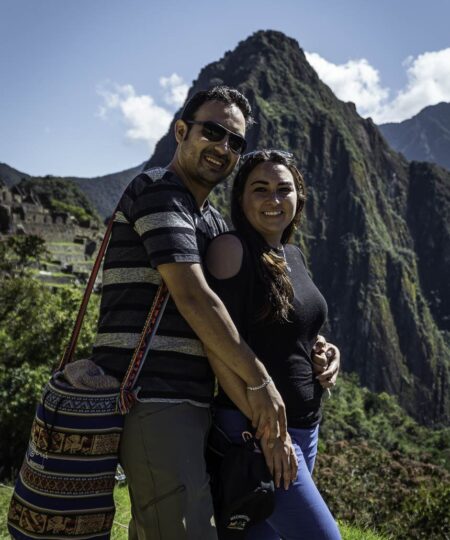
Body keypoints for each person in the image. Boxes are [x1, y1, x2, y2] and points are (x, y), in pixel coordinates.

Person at [91, 86, 290, 540]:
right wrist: (260, 382)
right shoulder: (159, 192)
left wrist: (318, 347)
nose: (223, 147)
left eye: (235, 141)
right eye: (212, 132)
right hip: (154, 398)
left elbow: (246, 309)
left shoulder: (211, 221)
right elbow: (195, 299)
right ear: (182, 130)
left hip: (193, 400)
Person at [205, 149, 342, 539]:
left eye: (284, 189)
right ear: (240, 198)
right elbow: (218, 344)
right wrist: (271, 434)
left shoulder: (291, 253)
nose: (274, 200)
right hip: (257, 432)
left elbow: (292, 328)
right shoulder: (231, 250)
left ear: (299, 197)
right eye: (260, 189)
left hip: (303, 428)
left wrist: (327, 351)